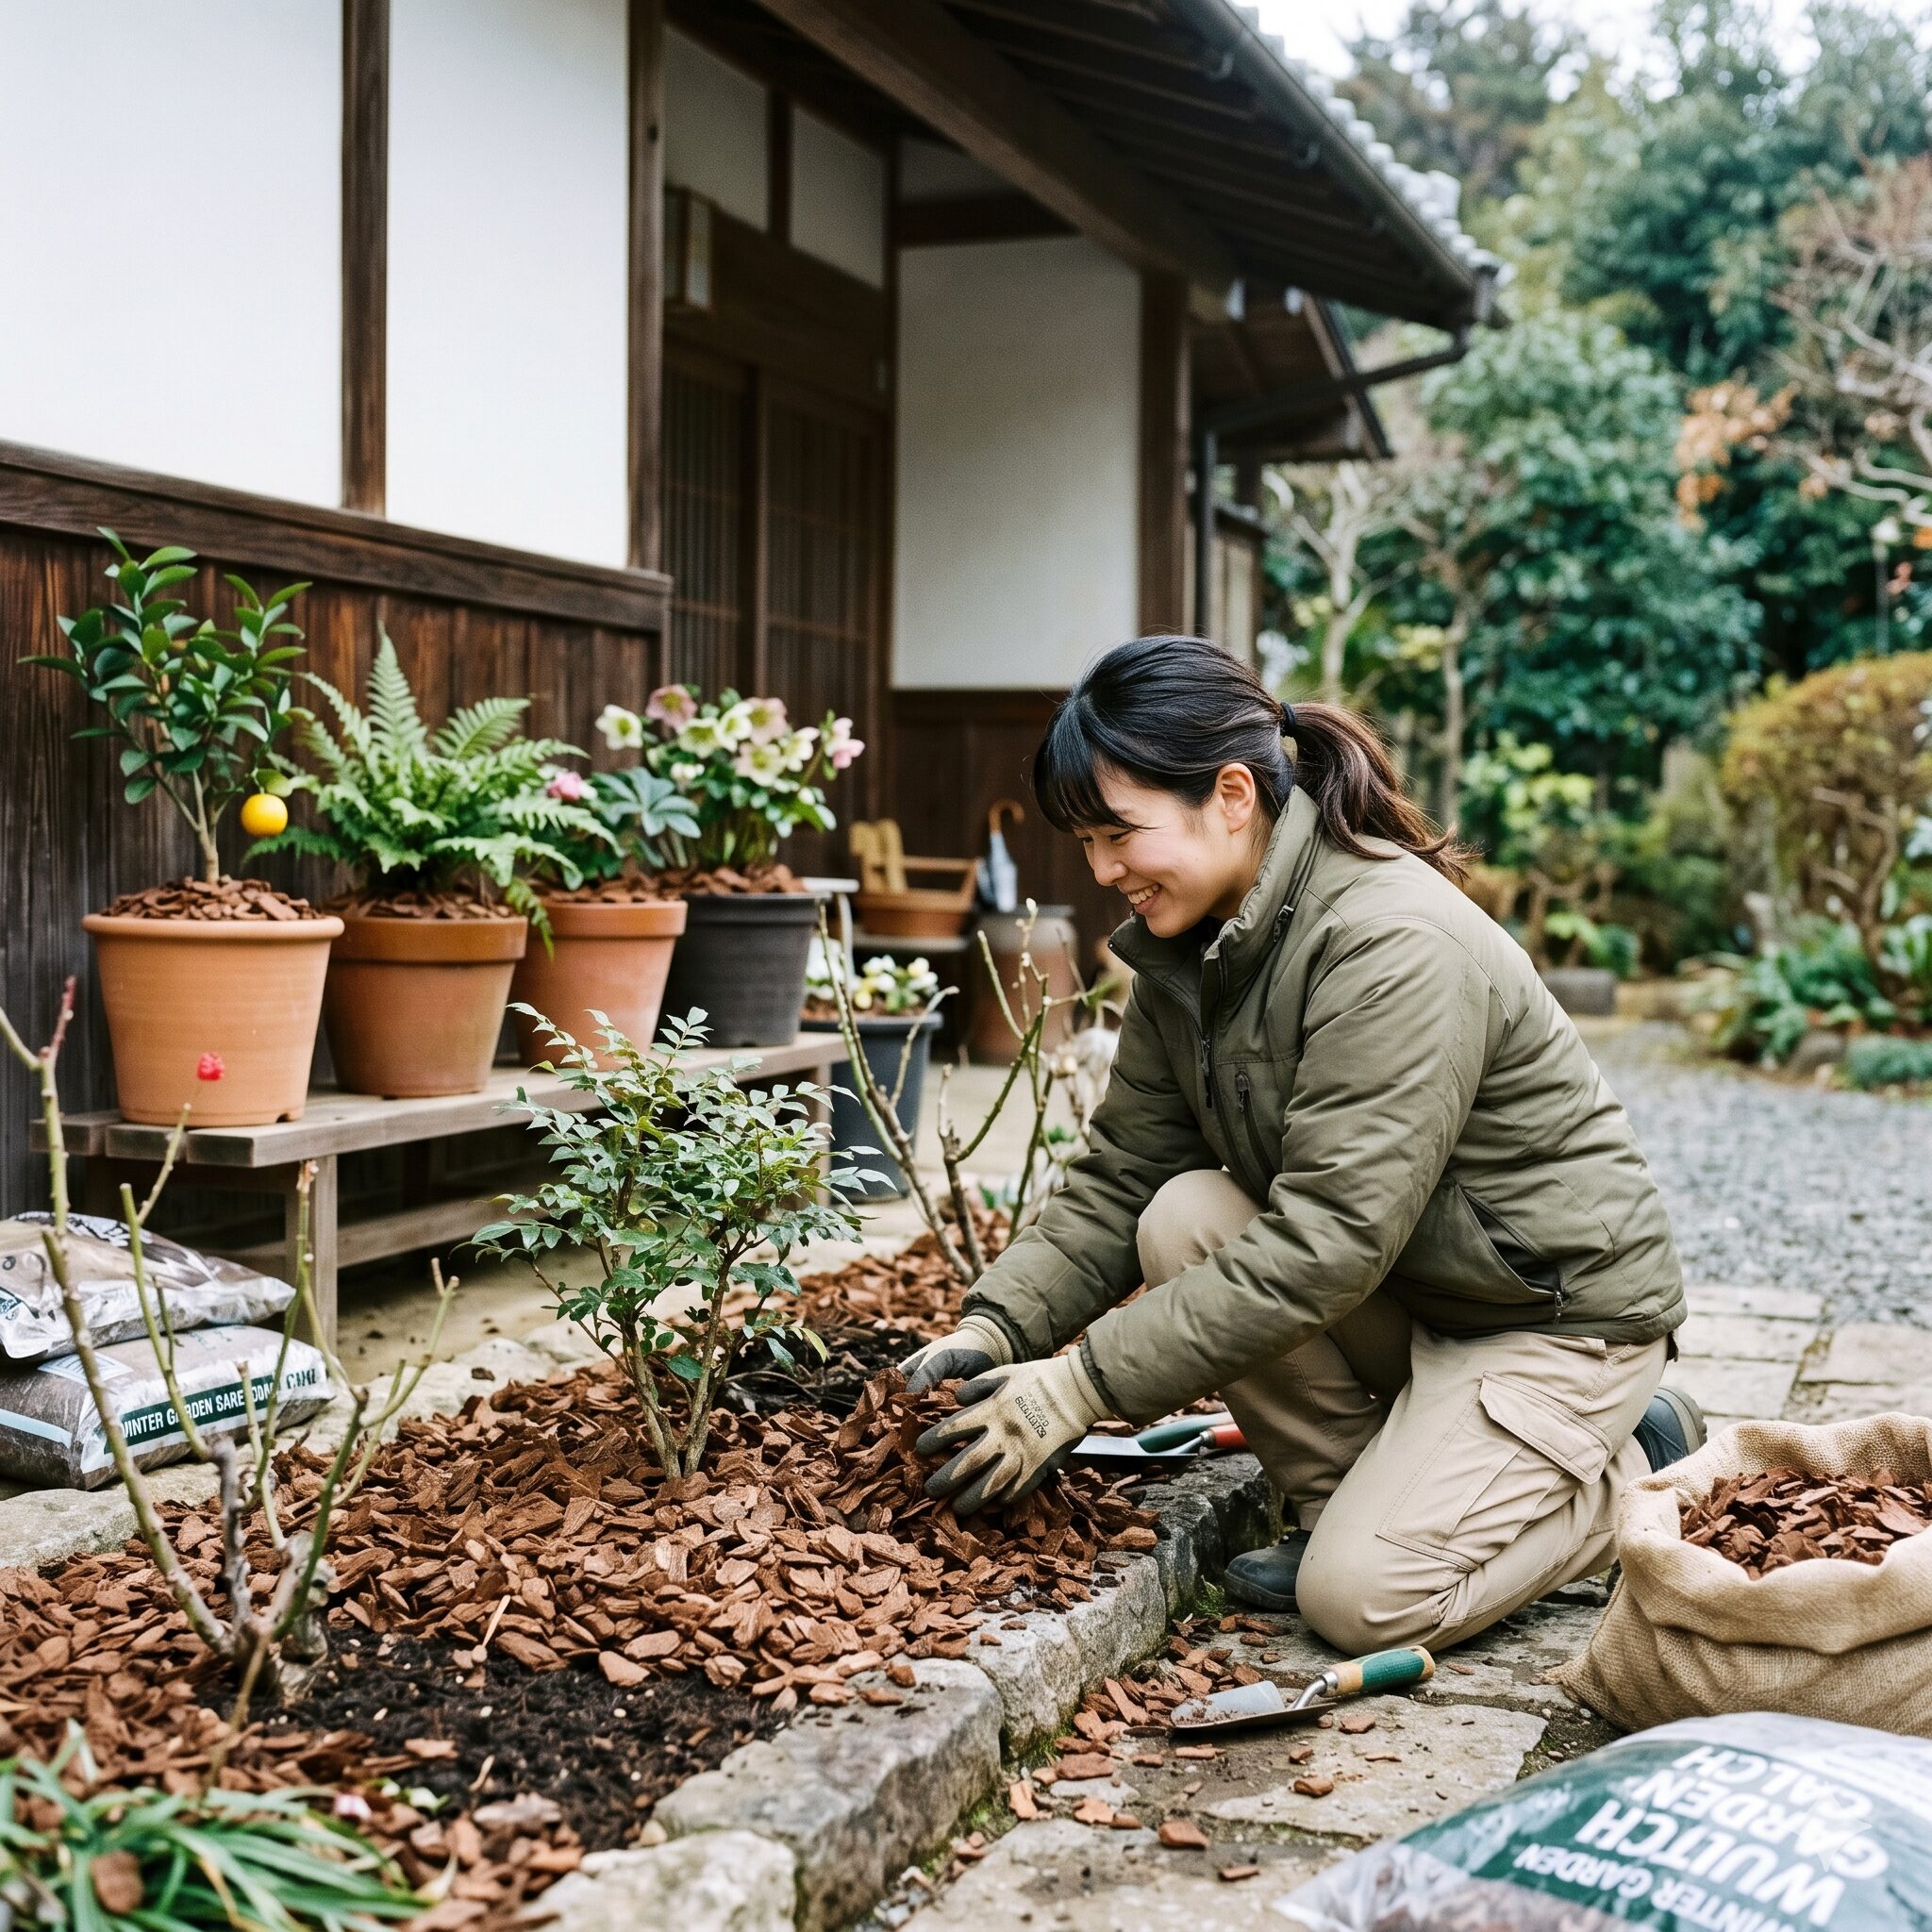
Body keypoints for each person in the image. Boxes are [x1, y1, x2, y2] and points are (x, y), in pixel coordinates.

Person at [903, 636, 1701, 1657]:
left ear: (1232, 795)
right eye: (1087, 841)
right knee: (1182, 1214)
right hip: (1420, 1293)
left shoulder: (1388, 941)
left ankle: (1642, 1464)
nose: (1102, 870)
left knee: (1359, 1604)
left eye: (1118, 833)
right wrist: (994, 1328)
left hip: (1551, 1320)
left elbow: (1328, 1239)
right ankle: (1346, 1505)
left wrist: (1079, 1387)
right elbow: (1121, 1175)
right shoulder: (1192, 948)